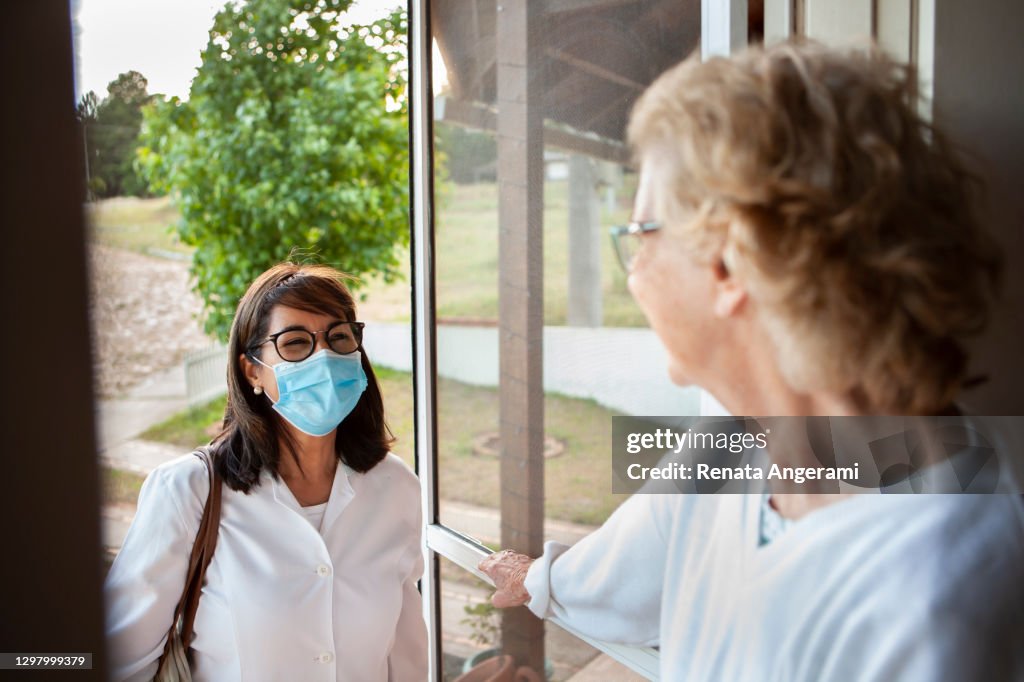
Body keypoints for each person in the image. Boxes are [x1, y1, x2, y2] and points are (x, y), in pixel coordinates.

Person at [480, 42, 1024, 680]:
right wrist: (536, 575)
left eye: (640, 236)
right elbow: (617, 574)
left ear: (729, 261)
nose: (635, 278)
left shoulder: (936, 603)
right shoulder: (733, 449)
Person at [105, 262, 427, 681]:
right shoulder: (189, 490)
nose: (325, 358)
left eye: (339, 337)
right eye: (295, 343)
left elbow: (405, 660)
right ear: (252, 370)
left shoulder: (395, 487)